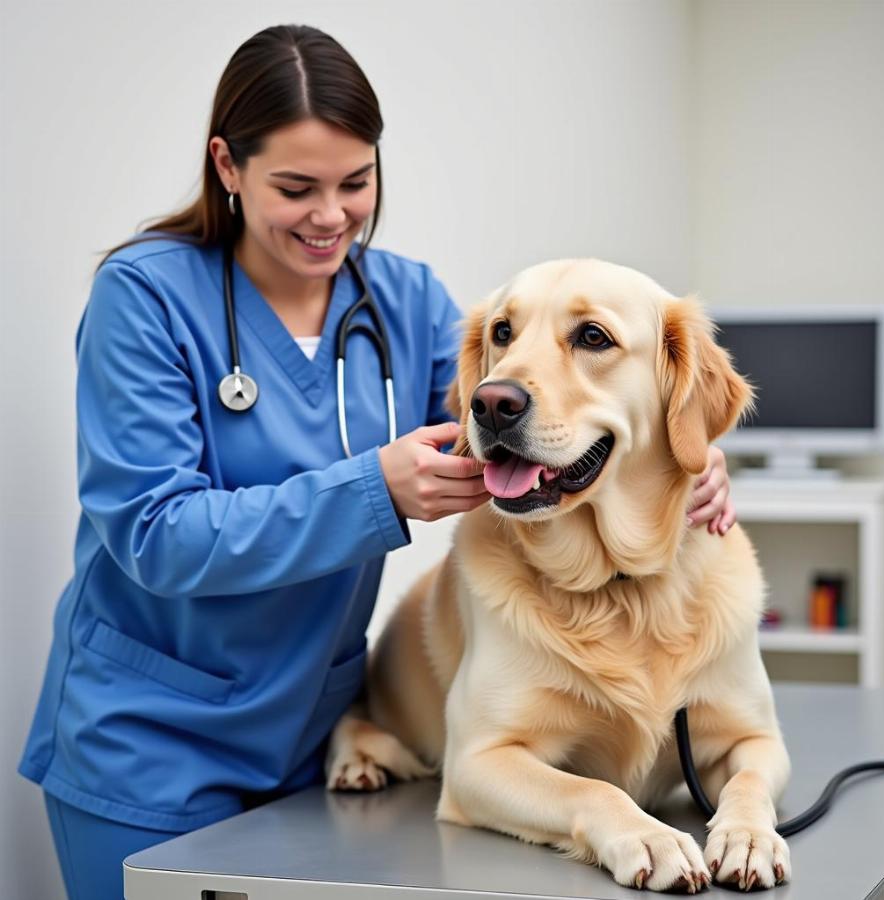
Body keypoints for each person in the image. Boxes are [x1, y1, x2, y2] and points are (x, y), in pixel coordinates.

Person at [18, 23, 737, 900]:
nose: (331, 217)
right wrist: (377, 492)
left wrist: (679, 450)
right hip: (150, 743)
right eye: (296, 187)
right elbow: (155, 535)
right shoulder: (145, 297)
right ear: (227, 166)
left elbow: (512, 419)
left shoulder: (403, 299)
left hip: (317, 740)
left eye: (356, 183)